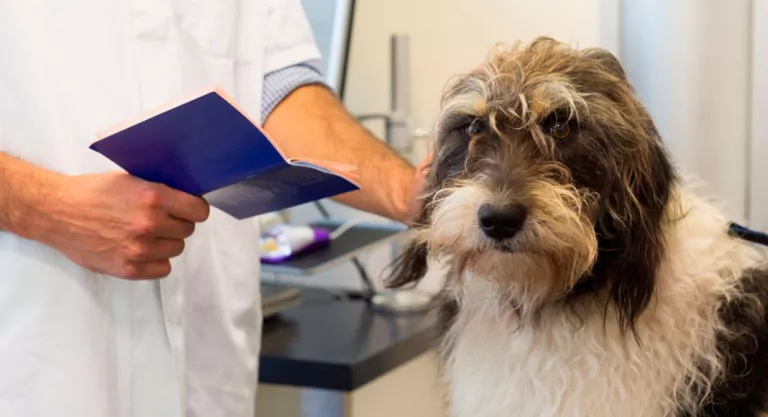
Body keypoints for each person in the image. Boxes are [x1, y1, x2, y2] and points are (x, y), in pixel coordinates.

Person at [0, 1, 424, 416]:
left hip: (205, 361)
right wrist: (42, 207)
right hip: (36, 354)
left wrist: (406, 191)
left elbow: (276, 90)